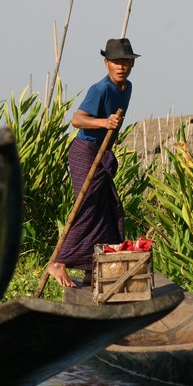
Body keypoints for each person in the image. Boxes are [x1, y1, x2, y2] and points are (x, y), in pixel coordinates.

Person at [47, 37, 140, 288]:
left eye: (126, 62)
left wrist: (113, 134)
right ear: (106, 63)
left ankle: (93, 268)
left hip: (101, 152)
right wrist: (104, 123)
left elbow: (115, 118)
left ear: (132, 64)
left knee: (108, 209)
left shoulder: (127, 88)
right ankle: (58, 262)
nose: (121, 66)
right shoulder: (100, 89)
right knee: (87, 206)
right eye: (116, 62)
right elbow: (77, 120)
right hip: (84, 151)